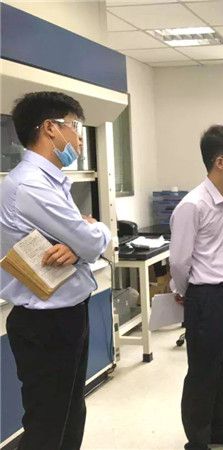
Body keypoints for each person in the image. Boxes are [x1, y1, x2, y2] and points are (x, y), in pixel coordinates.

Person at [0, 91, 112, 450]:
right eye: (75, 127)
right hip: (46, 323)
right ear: (50, 128)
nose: (79, 138)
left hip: (64, 315)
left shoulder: (50, 182)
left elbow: (81, 242)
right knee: (48, 426)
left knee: (70, 413)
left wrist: (78, 246)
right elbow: (91, 239)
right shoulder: (30, 185)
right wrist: (92, 234)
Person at [169, 125, 223, 450]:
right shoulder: (192, 205)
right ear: (220, 161)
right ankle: (198, 438)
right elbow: (179, 260)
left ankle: (221, 427)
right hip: (205, 295)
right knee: (203, 369)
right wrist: (184, 291)